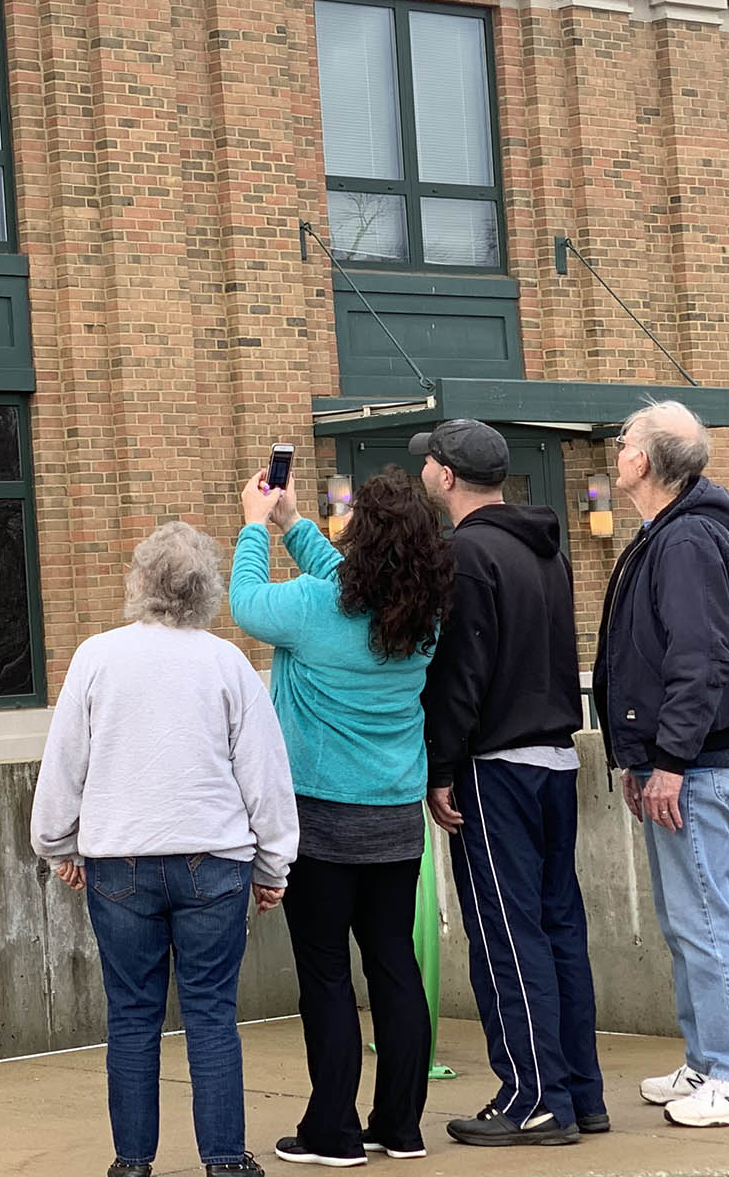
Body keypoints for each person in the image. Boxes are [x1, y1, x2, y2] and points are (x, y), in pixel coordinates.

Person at [32, 520, 297, 1177]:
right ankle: (226, 1161)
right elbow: (263, 772)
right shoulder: (227, 662)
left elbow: (65, 764)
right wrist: (273, 865)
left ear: (141, 581)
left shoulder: (96, 657)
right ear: (205, 589)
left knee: (131, 1014)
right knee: (211, 1013)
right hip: (215, 860)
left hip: (118, 859)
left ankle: (132, 1162)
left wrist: (58, 846)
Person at [229, 467, 450, 1167]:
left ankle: (333, 1133)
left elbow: (245, 601)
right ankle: (400, 1127)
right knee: (394, 967)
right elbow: (352, 583)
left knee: (326, 975)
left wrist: (254, 526)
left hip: (318, 820)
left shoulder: (313, 608)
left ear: (359, 536)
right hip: (394, 819)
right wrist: (294, 523)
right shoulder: (424, 612)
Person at [415, 418, 607, 1147]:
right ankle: (578, 1093)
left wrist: (439, 767)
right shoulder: (546, 547)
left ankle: (532, 1097)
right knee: (560, 930)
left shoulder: (467, 551)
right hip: (556, 756)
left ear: (447, 476)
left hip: (496, 768)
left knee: (506, 933)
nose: (425, 472)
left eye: (429, 463)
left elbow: (463, 672)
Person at [595, 401, 729, 1128]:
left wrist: (669, 760)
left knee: (706, 918)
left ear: (646, 461)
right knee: (688, 919)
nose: (618, 451)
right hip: (680, 762)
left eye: (624, 442)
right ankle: (711, 1061)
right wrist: (645, 758)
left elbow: (699, 661)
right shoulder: (669, 537)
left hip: (697, 765)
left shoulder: (686, 543)